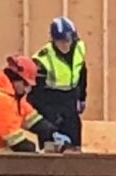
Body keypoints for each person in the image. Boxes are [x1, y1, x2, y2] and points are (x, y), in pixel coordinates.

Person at [0, 56, 66, 153]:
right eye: (26, 84)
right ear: (16, 80)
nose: (28, 90)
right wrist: (37, 153)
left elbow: (34, 120)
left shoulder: (12, 98)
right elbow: (17, 142)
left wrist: (52, 132)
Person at [30, 17, 87, 150]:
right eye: (60, 41)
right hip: (50, 102)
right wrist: (46, 120)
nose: (64, 45)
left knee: (74, 145)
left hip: (70, 100)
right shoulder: (43, 59)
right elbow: (35, 94)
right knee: (51, 148)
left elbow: (82, 72)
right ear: (53, 40)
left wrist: (82, 97)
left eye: (67, 41)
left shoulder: (79, 49)